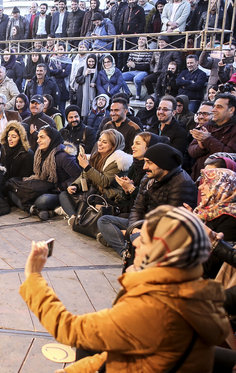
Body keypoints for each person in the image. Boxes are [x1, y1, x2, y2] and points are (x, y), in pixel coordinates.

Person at [21, 205, 230, 372]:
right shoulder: (194, 291)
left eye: (145, 241)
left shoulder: (153, 308)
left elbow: (69, 329)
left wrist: (33, 276)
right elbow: (122, 356)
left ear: (162, 253)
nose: (135, 244)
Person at [98, 143, 197, 255]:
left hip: (161, 231)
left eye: (149, 162)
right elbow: (138, 207)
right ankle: (126, 250)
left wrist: (138, 231)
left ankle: (125, 244)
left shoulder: (182, 184)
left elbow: (170, 223)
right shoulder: (149, 177)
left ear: (163, 163)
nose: (145, 167)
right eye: (145, 162)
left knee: (135, 235)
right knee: (104, 220)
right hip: (143, 223)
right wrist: (133, 228)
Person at [59, 129, 132, 222]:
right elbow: (85, 175)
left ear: (114, 146)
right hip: (93, 193)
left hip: (109, 198)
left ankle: (78, 216)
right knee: (64, 194)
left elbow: (104, 182)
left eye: (104, 142)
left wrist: (86, 166)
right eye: (99, 140)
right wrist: (75, 185)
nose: (100, 144)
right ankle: (74, 217)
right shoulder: (96, 156)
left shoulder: (118, 161)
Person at [22, 126, 81, 220]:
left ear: (52, 138)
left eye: (42, 137)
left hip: (60, 191)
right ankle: (40, 210)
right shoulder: (40, 153)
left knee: (41, 201)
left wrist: (61, 186)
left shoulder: (63, 156)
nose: (38, 140)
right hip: (47, 186)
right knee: (18, 190)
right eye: (38, 137)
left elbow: (78, 176)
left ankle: (36, 208)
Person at [188, 93, 236, 179]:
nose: (213, 110)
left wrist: (208, 139)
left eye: (219, 107)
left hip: (221, 181)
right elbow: (191, 151)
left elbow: (229, 156)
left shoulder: (234, 129)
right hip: (199, 176)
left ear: (231, 110)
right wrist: (201, 146)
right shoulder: (208, 125)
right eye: (214, 106)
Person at [122, 36, 152, 100]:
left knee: (137, 79)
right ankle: (128, 93)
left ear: (146, 42)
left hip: (143, 72)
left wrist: (135, 65)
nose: (141, 40)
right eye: (140, 39)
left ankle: (138, 95)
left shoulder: (149, 51)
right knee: (120, 77)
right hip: (133, 71)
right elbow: (129, 62)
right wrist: (128, 65)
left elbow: (147, 66)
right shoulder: (133, 51)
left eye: (143, 39)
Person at [48, 44, 72, 113]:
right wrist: (60, 71)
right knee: (53, 108)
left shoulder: (68, 60)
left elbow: (66, 73)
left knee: (62, 109)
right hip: (54, 85)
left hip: (64, 87)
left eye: (61, 49)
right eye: (58, 49)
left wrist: (56, 72)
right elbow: (50, 72)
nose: (60, 51)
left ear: (64, 50)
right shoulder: (52, 60)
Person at [73, 53, 98, 118]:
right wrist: (84, 75)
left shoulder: (97, 71)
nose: (91, 63)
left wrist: (95, 84)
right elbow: (77, 80)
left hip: (93, 94)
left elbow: (100, 82)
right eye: (89, 61)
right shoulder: (81, 69)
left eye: (93, 61)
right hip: (82, 94)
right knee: (81, 111)